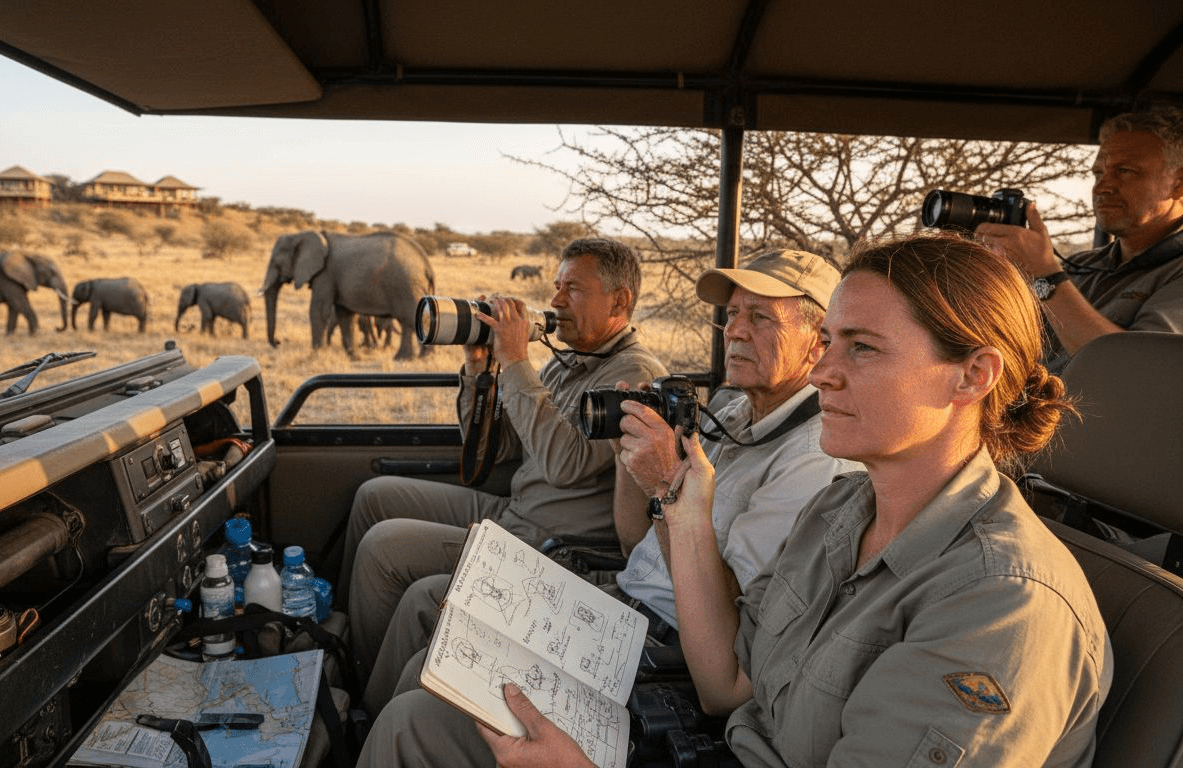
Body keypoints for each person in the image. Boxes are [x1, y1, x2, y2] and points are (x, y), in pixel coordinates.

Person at [478, 232, 1112, 767]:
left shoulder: (1000, 604)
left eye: (862, 347)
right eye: (830, 341)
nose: (822, 371)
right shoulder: (841, 513)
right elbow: (725, 687)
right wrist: (681, 497)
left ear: (974, 374)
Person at [356, 250, 862, 723]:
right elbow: (629, 543)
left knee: (416, 699)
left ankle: (377, 729)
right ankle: (364, 724)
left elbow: (726, 639)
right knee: (428, 609)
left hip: (657, 638)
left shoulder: (813, 457)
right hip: (618, 594)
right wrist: (630, 456)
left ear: (820, 340)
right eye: (731, 315)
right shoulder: (729, 411)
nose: (734, 332)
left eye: (761, 318)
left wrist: (665, 483)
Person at [342, 238, 669, 677]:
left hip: (551, 542)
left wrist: (517, 360)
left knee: (385, 548)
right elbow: (494, 455)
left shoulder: (635, 376)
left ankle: (363, 684)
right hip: (514, 510)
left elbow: (565, 465)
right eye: (556, 285)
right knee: (374, 496)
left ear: (620, 300)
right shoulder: (566, 361)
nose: (555, 300)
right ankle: (348, 643)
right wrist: (480, 369)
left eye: (572, 288)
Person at [979, 105, 1183, 373]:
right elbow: (1004, 343)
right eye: (1099, 173)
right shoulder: (1078, 267)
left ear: (1179, 183)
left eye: (1124, 171)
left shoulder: (1174, 272)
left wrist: (1045, 275)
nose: (1102, 187)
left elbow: (1134, 372)